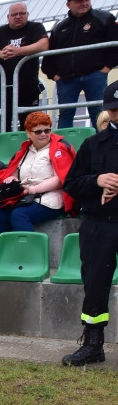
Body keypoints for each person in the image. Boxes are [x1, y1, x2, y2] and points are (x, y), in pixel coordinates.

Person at [60, 80, 118, 365]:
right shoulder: (93, 144)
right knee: (95, 283)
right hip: (99, 224)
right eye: (114, 110)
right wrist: (97, 180)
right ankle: (93, 343)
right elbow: (71, 183)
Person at [0, 111, 76, 251]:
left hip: (52, 196)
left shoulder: (59, 147)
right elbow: (15, 171)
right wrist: (13, 178)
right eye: (38, 131)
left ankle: (31, 256)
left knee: (20, 215)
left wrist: (32, 190)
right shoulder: (25, 150)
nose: (43, 134)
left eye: (47, 130)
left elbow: (61, 179)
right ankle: (5, 253)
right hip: (25, 195)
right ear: (28, 133)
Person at [42, 0, 118, 129]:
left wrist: (107, 67)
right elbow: (50, 54)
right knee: (65, 114)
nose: (84, 3)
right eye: (79, 0)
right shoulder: (60, 27)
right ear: (68, 4)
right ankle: (64, 149)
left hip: (95, 75)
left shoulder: (104, 18)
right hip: (66, 79)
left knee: (99, 114)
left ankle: (103, 147)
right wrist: (54, 75)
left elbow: (115, 44)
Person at [0, 3, 49, 134]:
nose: (18, 17)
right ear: (8, 17)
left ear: (27, 14)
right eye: (14, 14)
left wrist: (18, 51)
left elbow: (44, 45)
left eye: (22, 13)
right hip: (3, 88)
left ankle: (29, 152)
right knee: (1, 125)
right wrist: (1, 54)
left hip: (28, 86)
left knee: (30, 124)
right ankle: (2, 152)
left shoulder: (36, 27)